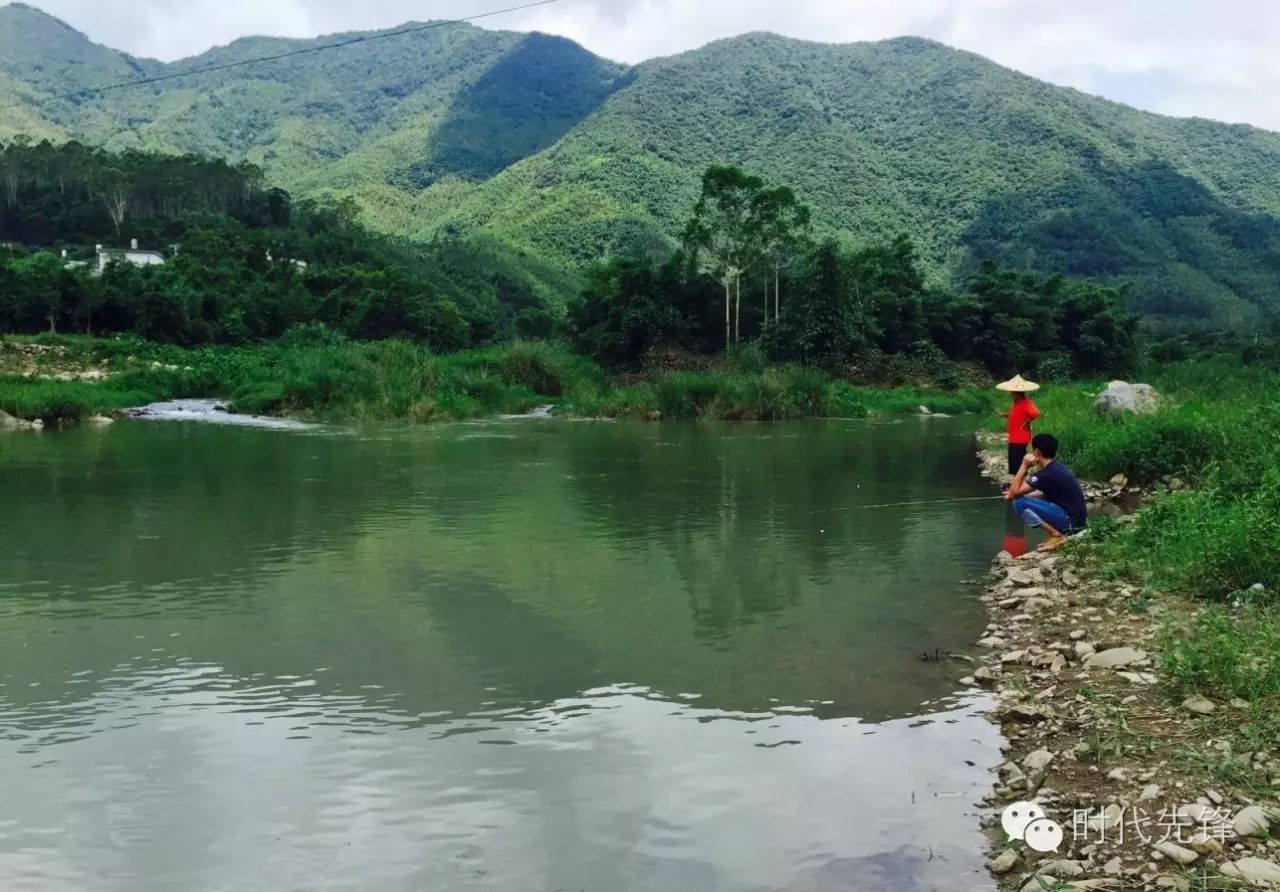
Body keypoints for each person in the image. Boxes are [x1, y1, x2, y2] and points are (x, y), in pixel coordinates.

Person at [1004, 433, 1087, 552]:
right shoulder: (1056, 468)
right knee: (1024, 498)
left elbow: (1014, 493)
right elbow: (1044, 495)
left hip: (1070, 522)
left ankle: (1056, 535)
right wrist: (1020, 494)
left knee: (1019, 503)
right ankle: (1058, 534)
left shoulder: (1045, 474)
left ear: (1036, 452)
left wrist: (1024, 465)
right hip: (1077, 522)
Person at [996, 375, 1041, 476]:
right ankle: (1015, 483)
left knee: (1019, 463)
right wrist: (1005, 415)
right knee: (1013, 463)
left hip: (1020, 438)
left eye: (1012, 392)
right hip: (1013, 437)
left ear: (1018, 393)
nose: (1011, 393)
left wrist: (1028, 421)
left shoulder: (1026, 402)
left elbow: (1036, 413)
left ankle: (1020, 485)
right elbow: (1016, 415)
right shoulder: (1016, 403)